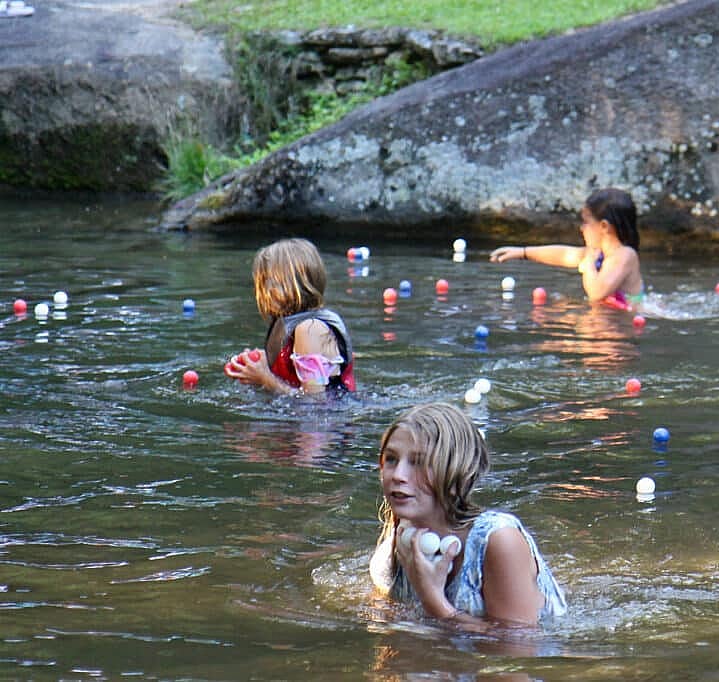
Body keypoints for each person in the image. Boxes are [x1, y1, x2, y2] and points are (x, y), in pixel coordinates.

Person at [369, 403, 567, 628]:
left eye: (418, 462)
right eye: (392, 459)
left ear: (456, 471)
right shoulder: (401, 532)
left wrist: (434, 602)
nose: (398, 475)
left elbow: (519, 647)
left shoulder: (499, 540)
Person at [225, 237, 355, 396]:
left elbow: (316, 403)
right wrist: (260, 365)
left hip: (334, 419)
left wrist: (265, 378)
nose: (266, 290)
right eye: (263, 282)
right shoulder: (283, 322)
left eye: (272, 282)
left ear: (301, 282)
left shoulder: (311, 329)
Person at [489, 187, 644, 311]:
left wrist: (589, 262)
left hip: (625, 325)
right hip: (610, 318)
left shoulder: (625, 256)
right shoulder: (597, 253)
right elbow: (563, 255)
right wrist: (523, 252)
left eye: (586, 222)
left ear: (604, 226)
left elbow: (596, 293)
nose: (582, 228)